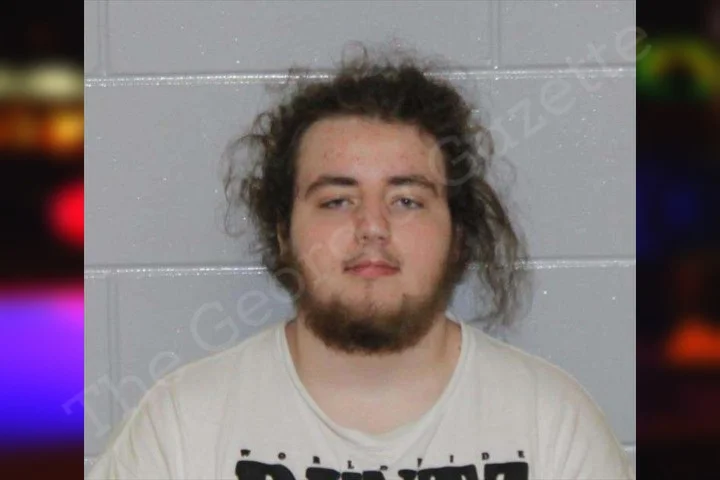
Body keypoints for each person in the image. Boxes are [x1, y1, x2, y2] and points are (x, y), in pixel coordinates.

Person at [87, 46, 635, 480]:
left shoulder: (551, 423)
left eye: (407, 200)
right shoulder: (182, 426)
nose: (372, 226)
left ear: (459, 235)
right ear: (283, 232)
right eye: (336, 200)